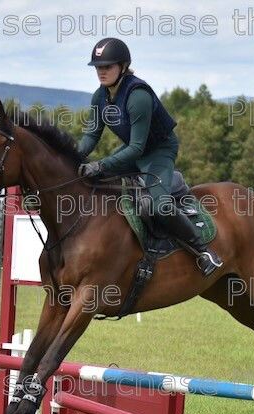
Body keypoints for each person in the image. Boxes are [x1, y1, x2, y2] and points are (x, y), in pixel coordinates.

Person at [77, 37, 223, 276]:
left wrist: (101, 164)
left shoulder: (138, 95)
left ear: (123, 66)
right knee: (95, 184)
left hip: (158, 151)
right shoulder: (99, 97)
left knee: (160, 205)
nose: (101, 72)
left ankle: (204, 252)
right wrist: (74, 159)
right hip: (135, 151)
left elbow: (136, 147)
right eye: (98, 67)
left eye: (107, 67)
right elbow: (91, 135)